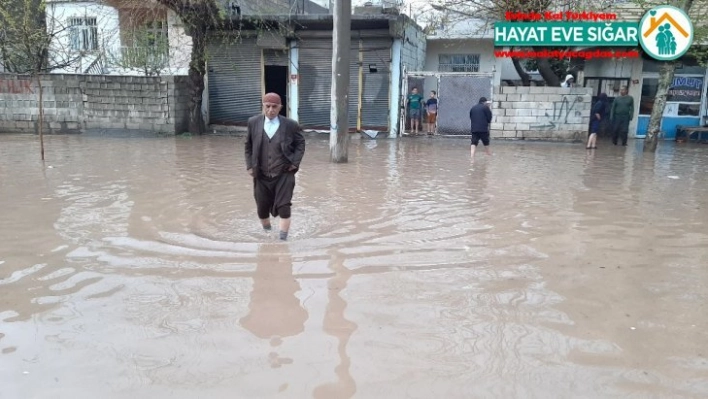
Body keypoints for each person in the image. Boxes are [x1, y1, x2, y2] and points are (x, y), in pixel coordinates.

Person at [245, 92, 306, 241]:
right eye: (267, 106)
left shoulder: (290, 125)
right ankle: (268, 234)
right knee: (261, 208)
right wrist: (249, 166)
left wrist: (294, 163)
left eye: (274, 107)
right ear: (263, 106)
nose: (271, 110)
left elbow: (300, 143)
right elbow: (248, 145)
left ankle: (282, 241)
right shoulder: (253, 122)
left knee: (284, 207)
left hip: (284, 173)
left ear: (280, 108)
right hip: (261, 173)